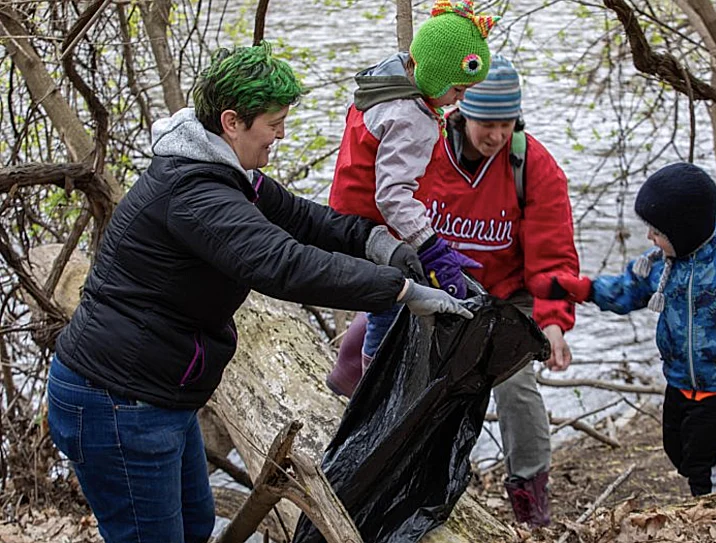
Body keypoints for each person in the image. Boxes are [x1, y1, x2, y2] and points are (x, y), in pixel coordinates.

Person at [46, 41, 471, 543]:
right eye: (273, 123)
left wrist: (376, 240)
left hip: (159, 392)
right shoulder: (196, 194)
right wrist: (398, 289)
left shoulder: (229, 173)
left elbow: (301, 217)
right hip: (118, 399)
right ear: (232, 122)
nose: (281, 134)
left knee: (195, 526)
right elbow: (283, 264)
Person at [329, 56, 580, 527]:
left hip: (505, 298)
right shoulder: (422, 147)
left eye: (507, 125)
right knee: (357, 361)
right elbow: (378, 207)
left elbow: (554, 255)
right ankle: (368, 455)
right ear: (461, 114)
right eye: (487, 124)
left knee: (515, 386)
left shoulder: (533, 167)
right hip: (436, 287)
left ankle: (531, 499)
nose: (496, 136)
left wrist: (553, 322)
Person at [532, 162, 716, 510]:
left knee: (706, 467)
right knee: (678, 452)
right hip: (678, 380)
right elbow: (626, 292)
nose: (650, 238)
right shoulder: (660, 262)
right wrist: (581, 290)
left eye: (657, 231)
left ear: (684, 230)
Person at [326, 0, 499, 383]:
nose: (461, 98)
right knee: (390, 303)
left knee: (382, 300)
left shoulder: (386, 84)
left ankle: (345, 371)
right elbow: (393, 197)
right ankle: (374, 388)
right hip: (373, 227)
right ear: (435, 75)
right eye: (458, 88)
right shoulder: (411, 119)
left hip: (344, 216)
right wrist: (431, 246)